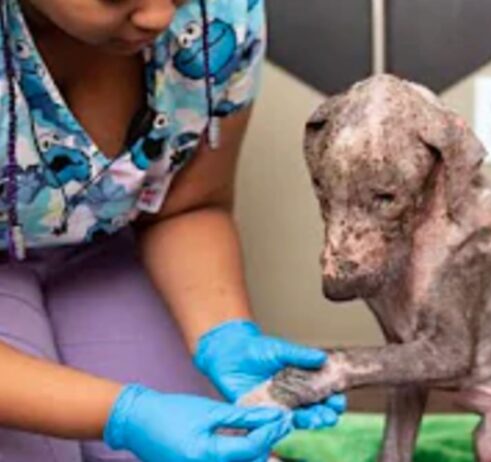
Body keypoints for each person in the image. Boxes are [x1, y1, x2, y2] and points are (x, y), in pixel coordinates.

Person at [0, 0, 346, 461]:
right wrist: (123, 414)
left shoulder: (219, 17)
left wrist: (223, 335)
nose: (159, 18)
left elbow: (189, 205)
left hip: (96, 256)